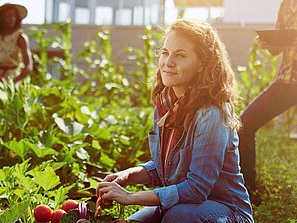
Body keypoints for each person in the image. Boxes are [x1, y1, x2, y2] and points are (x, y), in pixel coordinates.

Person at [96, 19, 254, 223]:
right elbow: (164, 167)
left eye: (180, 55)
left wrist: (131, 198)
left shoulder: (212, 114)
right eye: (165, 52)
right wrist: (126, 176)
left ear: (202, 64)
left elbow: (196, 189)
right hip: (183, 206)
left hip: (227, 212)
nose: (168, 62)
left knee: (176, 216)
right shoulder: (165, 105)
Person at [238, 0, 297, 204]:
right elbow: (277, 50)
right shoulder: (286, 4)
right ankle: (248, 191)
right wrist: (268, 43)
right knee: (244, 124)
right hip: (288, 82)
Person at [0, 3, 33, 91]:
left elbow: (28, 66)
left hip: (12, 76)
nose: (11, 19)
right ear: (1, 19)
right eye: (7, 16)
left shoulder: (20, 37)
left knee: (9, 102)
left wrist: (14, 81)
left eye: (13, 16)